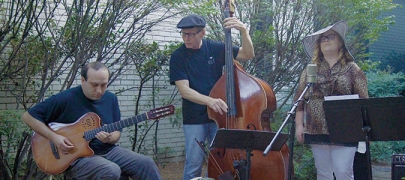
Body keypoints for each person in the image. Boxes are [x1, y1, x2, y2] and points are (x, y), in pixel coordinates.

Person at [21, 62, 162, 180]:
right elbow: (28, 117)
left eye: (104, 85)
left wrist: (109, 138)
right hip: (75, 158)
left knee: (146, 163)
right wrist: (55, 137)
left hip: (107, 150)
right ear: (83, 80)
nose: (99, 90)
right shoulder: (65, 99)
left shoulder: (111, 99)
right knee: (111, 170)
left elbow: (116, 133)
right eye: (94, 85)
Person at [169, 14, 255, 180]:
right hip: (195, 118)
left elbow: (247, 54)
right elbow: (185, 91)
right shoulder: (178, 56)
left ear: (202, 33)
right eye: (183, 34)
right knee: (193, 163)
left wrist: (244, 30)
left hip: (219, 117)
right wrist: (210, 101)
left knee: (219, 163)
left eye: (191, 34)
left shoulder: (214, 48)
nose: (186, 38)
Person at [294, 20, 369, 180]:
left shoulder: (353, 69)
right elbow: (300, 99)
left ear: (340, 42)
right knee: (323, 173)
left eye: (331, 36)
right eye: (323, 38)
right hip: (316, 128)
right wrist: (299, 126)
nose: (326, 40)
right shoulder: (310, 69)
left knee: (343, 171)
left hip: (346, 129)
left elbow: (364, 102)